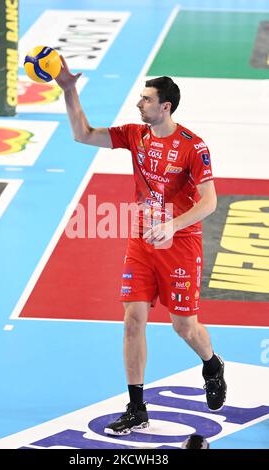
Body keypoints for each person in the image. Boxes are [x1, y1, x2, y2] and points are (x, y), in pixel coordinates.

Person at [56, 57, 227, 436]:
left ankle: (212, 365)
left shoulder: (193, 147)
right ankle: (136, 407)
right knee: (133, 320)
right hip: (142, 240)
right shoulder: (136, 135)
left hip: (181, 244)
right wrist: (69, 90)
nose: (139, 103)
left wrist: (173, 224)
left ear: (166, 106)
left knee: (185, 327)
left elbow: (210, 201)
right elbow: (83, 134)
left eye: (146, 99)